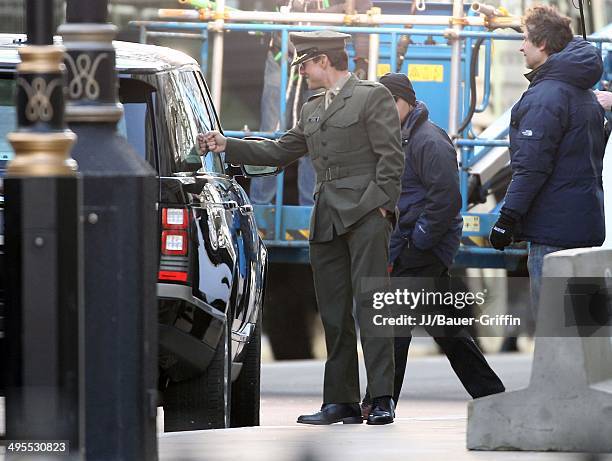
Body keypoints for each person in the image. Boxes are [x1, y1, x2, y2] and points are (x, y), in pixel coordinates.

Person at [199, 30, 404, 425]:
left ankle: (381, 398)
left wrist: (381, 208)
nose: (303, 72)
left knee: (370, 307)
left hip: (365, 215)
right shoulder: (311, 107)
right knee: (333, 311)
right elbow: (279, 152)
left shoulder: (371, 95)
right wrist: (228, 144)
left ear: (324, 61)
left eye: (306, 63)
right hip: (327, 217)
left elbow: (391, 159)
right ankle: (340, 401)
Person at [361, 73, 505, 416]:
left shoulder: (429, 140)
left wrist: (418, 244)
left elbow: (445, 201)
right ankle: (492, 395)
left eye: (390, 103)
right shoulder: (395, 137)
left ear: (407, 101)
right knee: (448, 330)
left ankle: (380, 401)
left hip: (422, 248)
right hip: (409, 245)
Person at [489, 5, 606, 316]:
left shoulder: (546, 97)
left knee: (554, 332)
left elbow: (531, 169)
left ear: (541, 44)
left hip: (552, 234)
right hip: (584, 228)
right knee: (582, 331)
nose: (520, 45)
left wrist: (506, 220)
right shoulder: (583, 93)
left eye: (525, 38)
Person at [251, 0, 371, 206]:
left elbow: (362, 9)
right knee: (271, 132)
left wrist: (362, 59)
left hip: (322, 62)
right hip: (283, 56)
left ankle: (311, 210)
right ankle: (259, 208)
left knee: (317, 133)